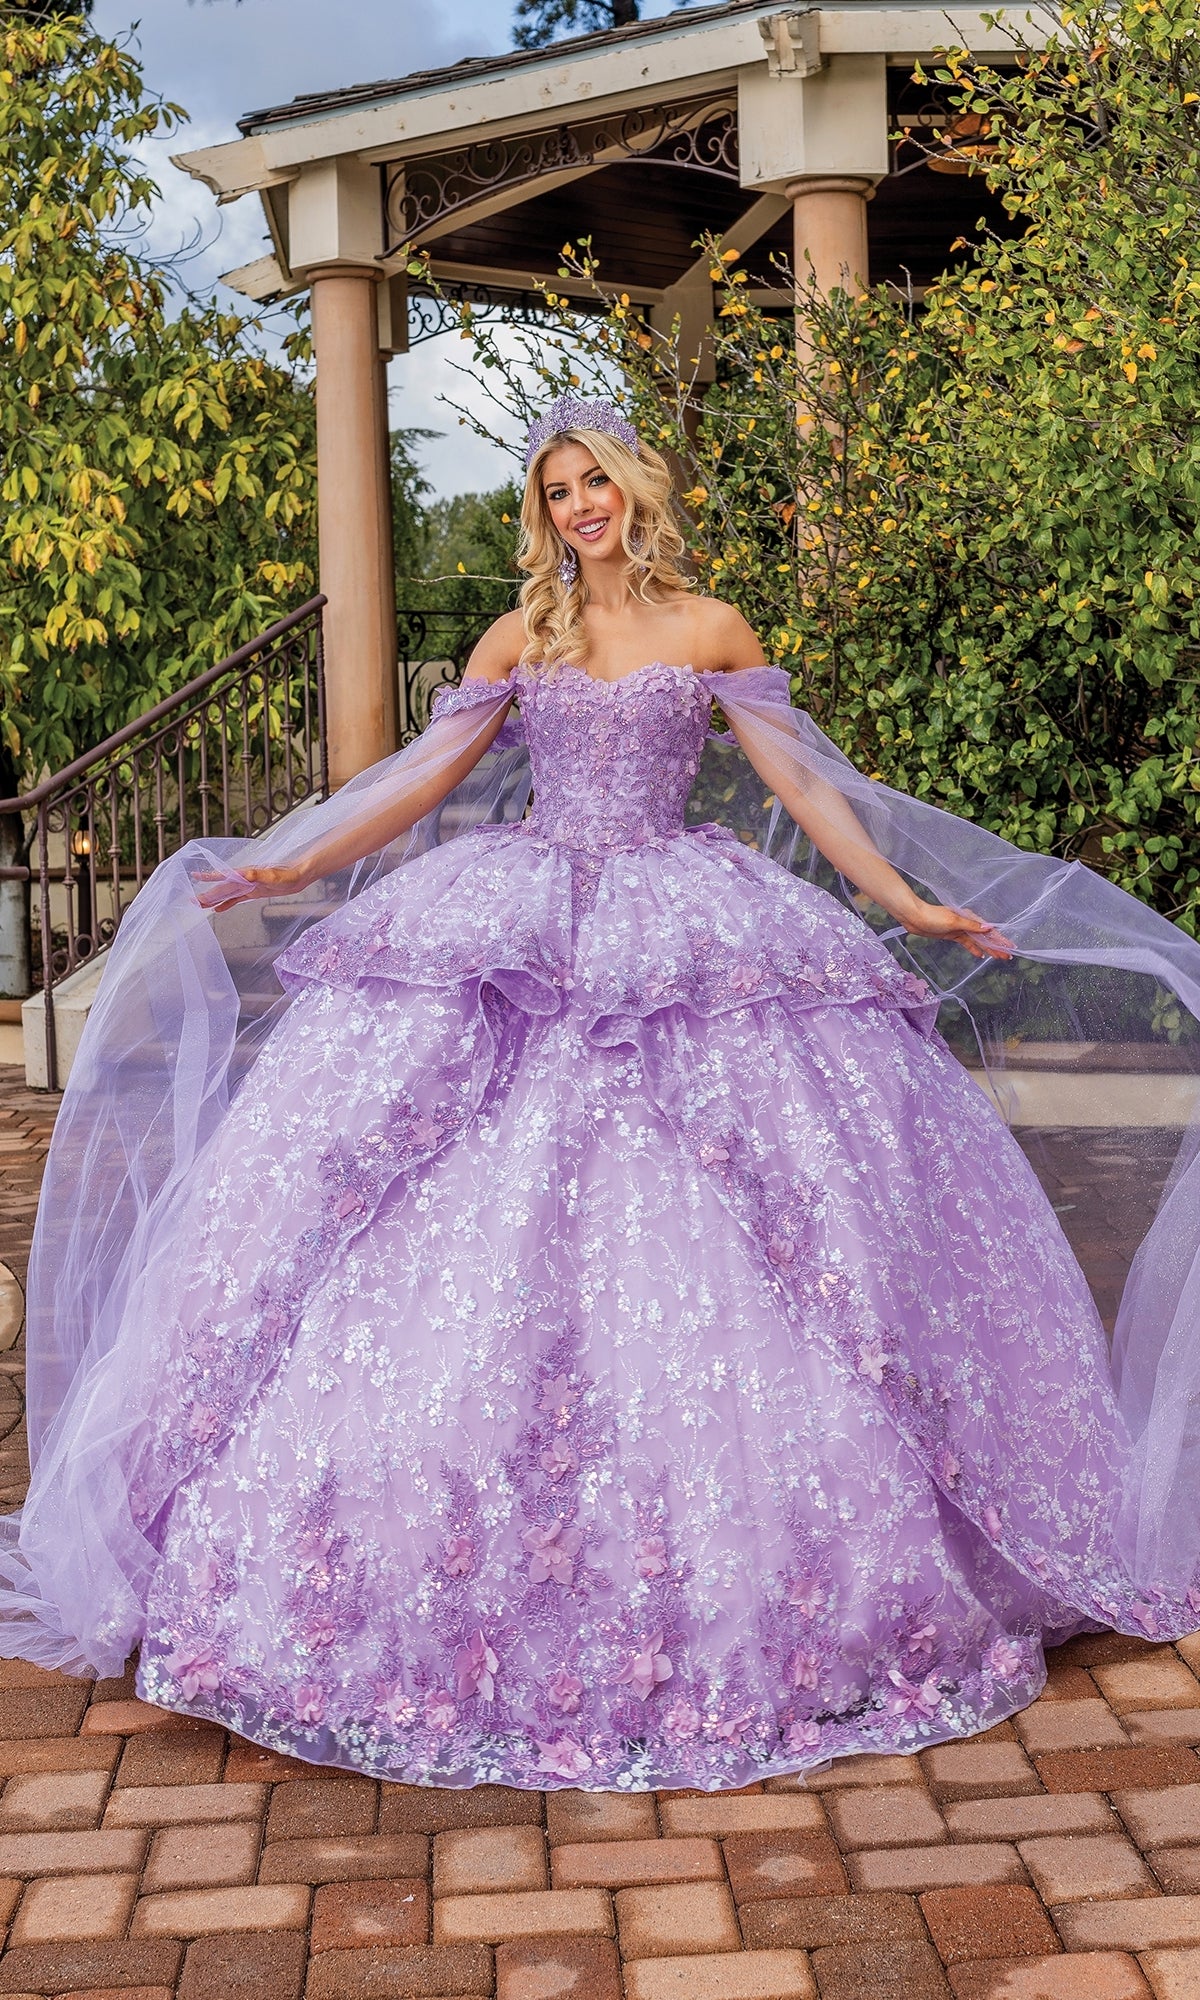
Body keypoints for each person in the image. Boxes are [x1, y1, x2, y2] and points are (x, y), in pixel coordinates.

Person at [3, 393, 1199, 1794]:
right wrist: (291, 864)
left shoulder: (712, 630)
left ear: (638, 489)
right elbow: (420, 775)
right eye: (557, 489)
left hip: (682, 919)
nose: (580, 507)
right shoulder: (526, 637)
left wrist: (908, 903)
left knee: (779, 1219)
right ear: (546, 511)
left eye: (596, 483)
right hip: (520, 920)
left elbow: (813, 793)